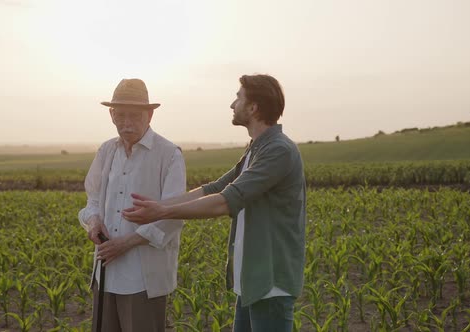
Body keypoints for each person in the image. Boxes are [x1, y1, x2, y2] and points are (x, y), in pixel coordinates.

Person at [123, 74, 306, 332]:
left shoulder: (278, 150)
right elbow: (215, 188)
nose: (233, 104)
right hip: (253, 278)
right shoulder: (257, 148)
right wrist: (160, 205)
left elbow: (225, 201)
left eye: (238, 98)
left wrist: (162, 211)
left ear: (253, 108)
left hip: (270, 281)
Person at [78, 78, 186, 332]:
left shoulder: (169, 154)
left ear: (149, 115)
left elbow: (173, 215)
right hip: (105, 274)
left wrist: (125, 244)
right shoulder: (106, 151)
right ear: (111, 115)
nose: (127, 123)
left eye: (135, 115)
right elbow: (92, 199)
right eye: (121, 115)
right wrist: (93, 222)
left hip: (144, 279)